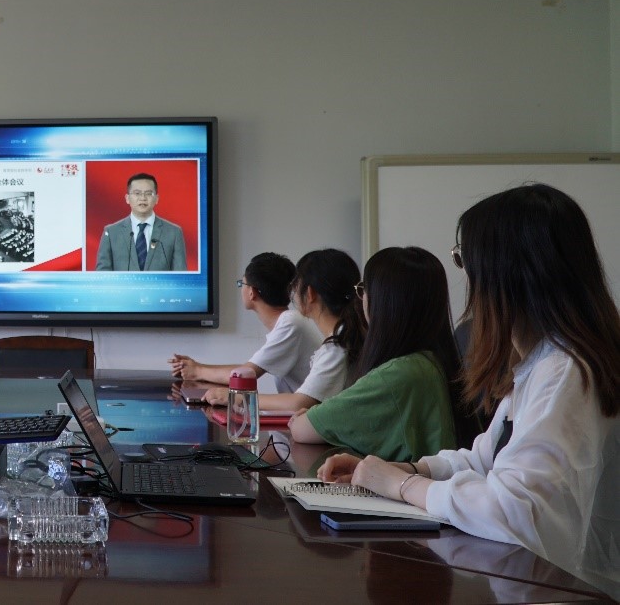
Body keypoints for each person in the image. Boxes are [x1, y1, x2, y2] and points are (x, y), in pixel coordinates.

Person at [318, 184, 620, 598]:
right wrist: (407, 470)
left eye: (463, 260)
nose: (467, 279)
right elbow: (486, 458)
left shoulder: (564, 371)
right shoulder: (543, 362)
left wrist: (400, 487)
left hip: (572, 589)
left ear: (506, 272)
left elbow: (513, 509)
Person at [290, 246, 478, 462]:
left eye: (363, 290)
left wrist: (307, 417)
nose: (361, 299)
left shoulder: (398, 374)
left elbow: (303, 429)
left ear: (382, 301)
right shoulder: (432, 361)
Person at [203, 249, 366, 411]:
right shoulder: (344, 336)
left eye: (296, 285)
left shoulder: (335, 346)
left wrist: (238, 398)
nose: (292, 292)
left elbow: (300, 402)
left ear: (310, 293)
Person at [170, 252, 320, 392]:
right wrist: (196, 366)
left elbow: (244, 375)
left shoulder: (291, 324)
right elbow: (245, 369)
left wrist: (197, 371)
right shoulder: (289, 321)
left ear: (252, 292)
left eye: (242, 284)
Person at [94, 173, 188, 271]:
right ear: (127, 198)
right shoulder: (111, 232)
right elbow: (102, 273)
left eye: (148, 193)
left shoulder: (173, 233)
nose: (143, 198)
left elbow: (181, 273)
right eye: (137, 193)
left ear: (157, 199)